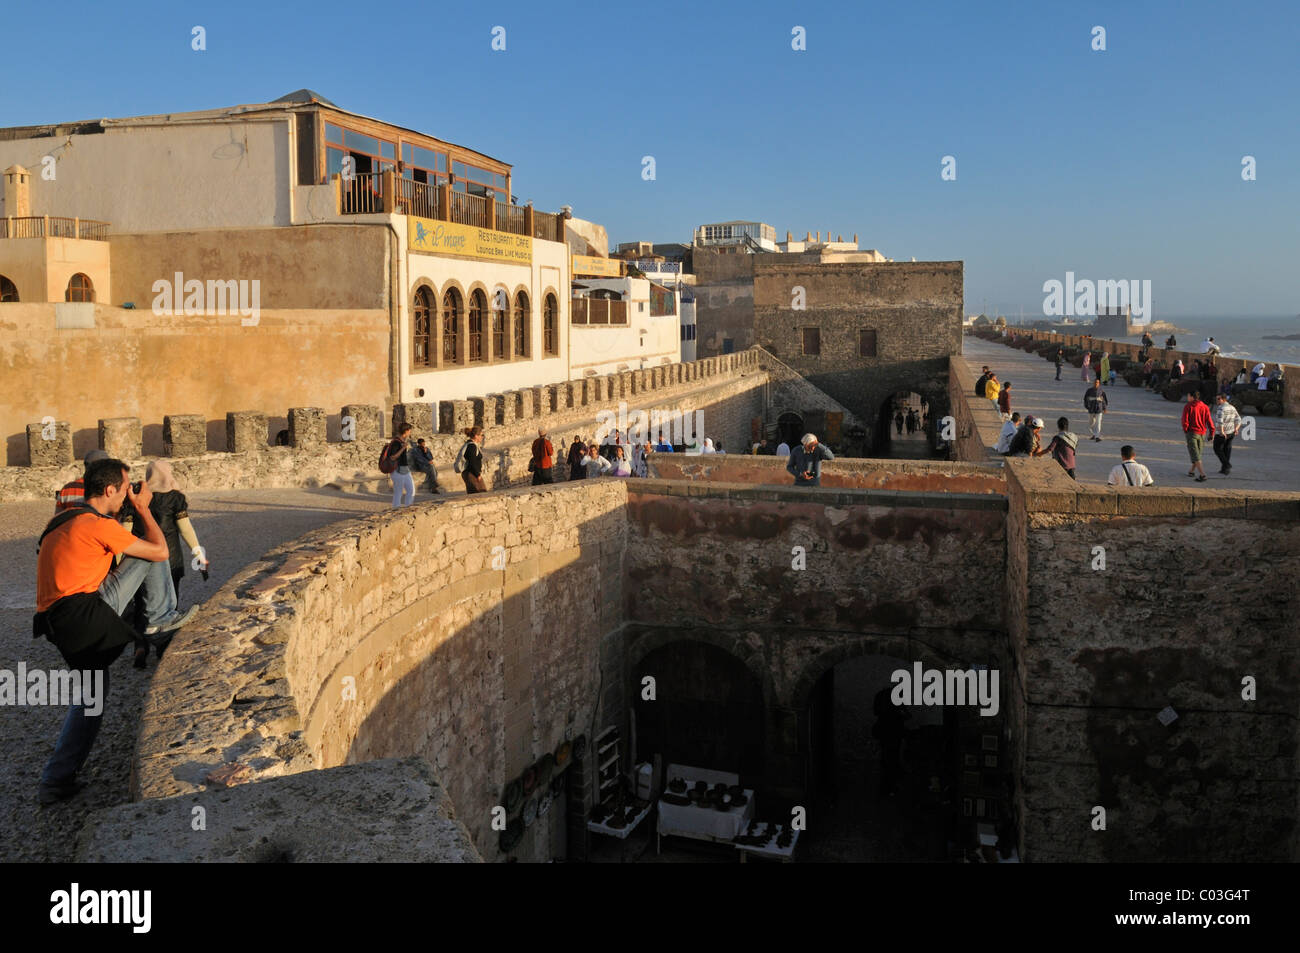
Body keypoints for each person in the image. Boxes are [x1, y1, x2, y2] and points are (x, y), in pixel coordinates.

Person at [33, 457, 198, 804]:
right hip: (83, 613)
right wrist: (144, 510)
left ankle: (55, 780)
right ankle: (159, 618)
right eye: (124, 490)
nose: (127, 496)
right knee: (147, 551)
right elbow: (160, 551)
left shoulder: (63, 518)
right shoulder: (97, 524)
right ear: (109, 490)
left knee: (90, 701)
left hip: (59, 623)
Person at [125, 460, 209, 667]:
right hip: (169, 559)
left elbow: (125, 531)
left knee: (140, 604)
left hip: (138, 558)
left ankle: (140, 646)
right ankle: (163, 647)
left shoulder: (136, 496)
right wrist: (198, 553)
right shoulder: (175, 498)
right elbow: (185, 529)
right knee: (169, 602)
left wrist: (119, 562)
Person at [1181, 392, 1215, 482]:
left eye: (1188, 396)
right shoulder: (1205, 406)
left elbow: (1185, 421)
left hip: (1192, 433)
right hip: (1202, 434)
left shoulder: (1188, 406)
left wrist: (1186, 430)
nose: (1187, 397)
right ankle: (1191, 471)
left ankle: (1203, 475)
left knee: (1196, 455)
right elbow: (1209, 421)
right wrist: (1211, 433)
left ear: (1192, 397)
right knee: (1197, 454)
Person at [383, 424, 415, 507]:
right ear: (406, 431)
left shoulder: (402, 441)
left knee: (411, 490)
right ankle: (396, 509)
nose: (410, 432)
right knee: (398, 492)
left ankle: (408, 507)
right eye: (410, 430)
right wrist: (403, 448)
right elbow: (393, 457)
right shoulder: (396, 443)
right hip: (397, 470)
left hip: (405, 469)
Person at [1212, 394, 1242, 475]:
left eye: (1218, 399)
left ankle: (1227, 465)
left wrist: (1221, 432)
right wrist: (1236, 428)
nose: (1217, 400)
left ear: (1223, 399)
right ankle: (1225, 469)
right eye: (1216, 398)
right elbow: (1239, 419)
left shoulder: (1221, 408)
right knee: (1227, 450)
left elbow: (1220, 421)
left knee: (1217, 449)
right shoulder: (1232, 407)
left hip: (1222, 433)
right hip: (1231, 432)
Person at [461, 426, 486, 493]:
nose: (482, 437)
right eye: (481, 435)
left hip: (472, 473)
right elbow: (472, 462)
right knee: (480, 494)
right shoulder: (471, 446)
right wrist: (478, 475)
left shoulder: (471, 445)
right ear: (476, 436)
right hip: (472, 474)